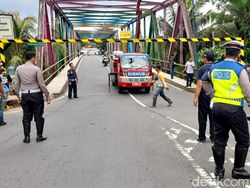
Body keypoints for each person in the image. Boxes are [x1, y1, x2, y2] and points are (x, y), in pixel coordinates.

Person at [205, 41, 250, 180]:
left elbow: (204, 81)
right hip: (234, 109)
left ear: (225, 53)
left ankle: (219, 171)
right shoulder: (239, 69)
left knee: (219, 140)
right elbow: (247, 91)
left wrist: (213, 95)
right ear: (238, 54)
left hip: (217, 108)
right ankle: (238, 170)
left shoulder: (214, 67)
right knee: (243, 140)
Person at [14, 51, 51, 143]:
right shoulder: (36, 69)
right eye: (35, 58)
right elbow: (41, 84)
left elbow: (16, 84)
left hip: (25, 95)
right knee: (38, 116)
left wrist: (18, 96)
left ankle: (27, 137)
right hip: (36, 95)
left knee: (26, 117)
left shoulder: (18, 69)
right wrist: (47, 94)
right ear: (33, 58)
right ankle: (39, 136)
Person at [193, 51, 215, 143]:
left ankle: (202, 137)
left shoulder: (201, 69)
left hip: (204, 96)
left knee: (202, 117)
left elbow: (199, 85)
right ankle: (213, 137)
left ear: (205, 58)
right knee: (213, 117)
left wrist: (195, 97)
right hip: (215, 96)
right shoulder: (217, 67)